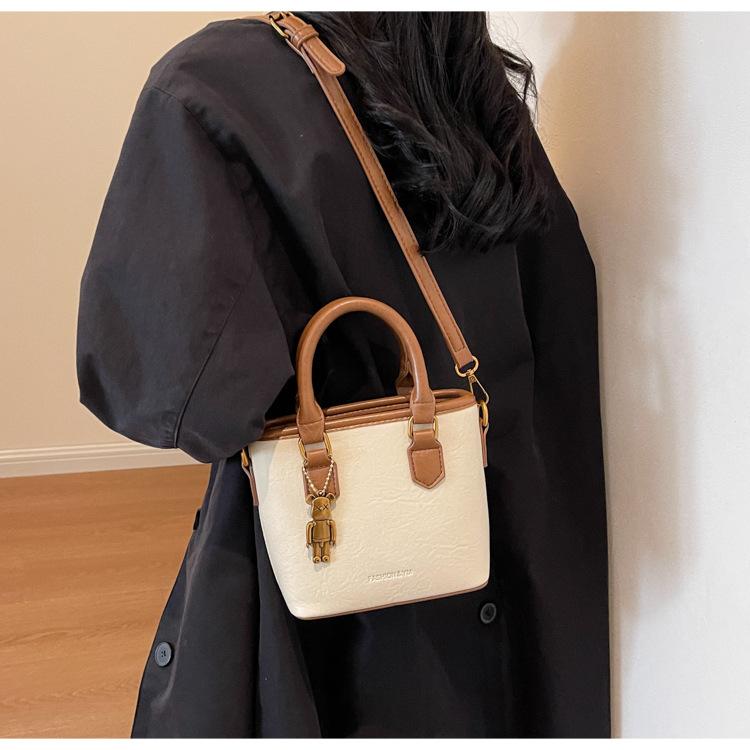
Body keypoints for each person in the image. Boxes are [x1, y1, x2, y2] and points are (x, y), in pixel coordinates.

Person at [76, 11, 611, 738]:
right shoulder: (469, 75)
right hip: (522, 562)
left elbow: (165, 390)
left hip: (338, 595)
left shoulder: (212, 85)